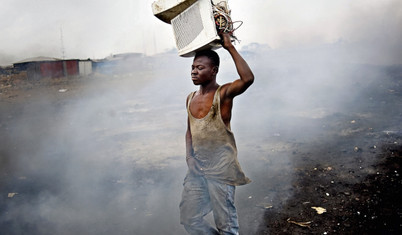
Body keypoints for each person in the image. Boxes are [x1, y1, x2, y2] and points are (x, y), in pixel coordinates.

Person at [179, 33, 254, 235]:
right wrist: (189, 157)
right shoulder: (190, 98)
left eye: (200, 68)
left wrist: (229, 46)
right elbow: (190, 131)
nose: (194, 72)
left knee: (226, 227)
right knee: (189, 219)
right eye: (192, 67)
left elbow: (247, 79)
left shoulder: (223, 94)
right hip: (198, 169)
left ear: (214, 71)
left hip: (221, 170)